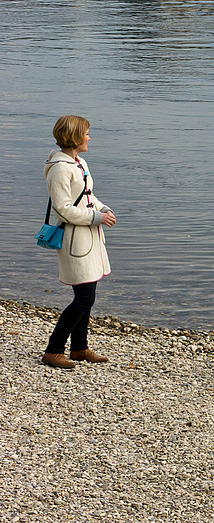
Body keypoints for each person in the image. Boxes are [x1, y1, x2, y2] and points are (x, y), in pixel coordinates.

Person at [41, 115, 116, 369]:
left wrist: (102, 207)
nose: (89, 137)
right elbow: (62, 209)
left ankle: (79, 348)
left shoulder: (79, 162)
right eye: (86, 133)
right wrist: (96, 217)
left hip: (89, 237)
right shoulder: (61, 168)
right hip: (75, 239)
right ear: (74, 136)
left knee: (88, 294)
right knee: (84, 297)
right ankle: (53, 350)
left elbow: (87, 195)